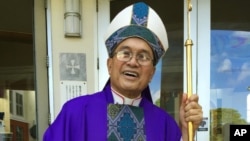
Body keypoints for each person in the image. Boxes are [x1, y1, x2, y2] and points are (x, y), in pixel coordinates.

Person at [43, 2, 203, 141]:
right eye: (125, 53)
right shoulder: (75, 113)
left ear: (152, 73)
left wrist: (186, 133)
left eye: (143, 56)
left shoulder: (164, 124)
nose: (133, 62)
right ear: (110, 64)